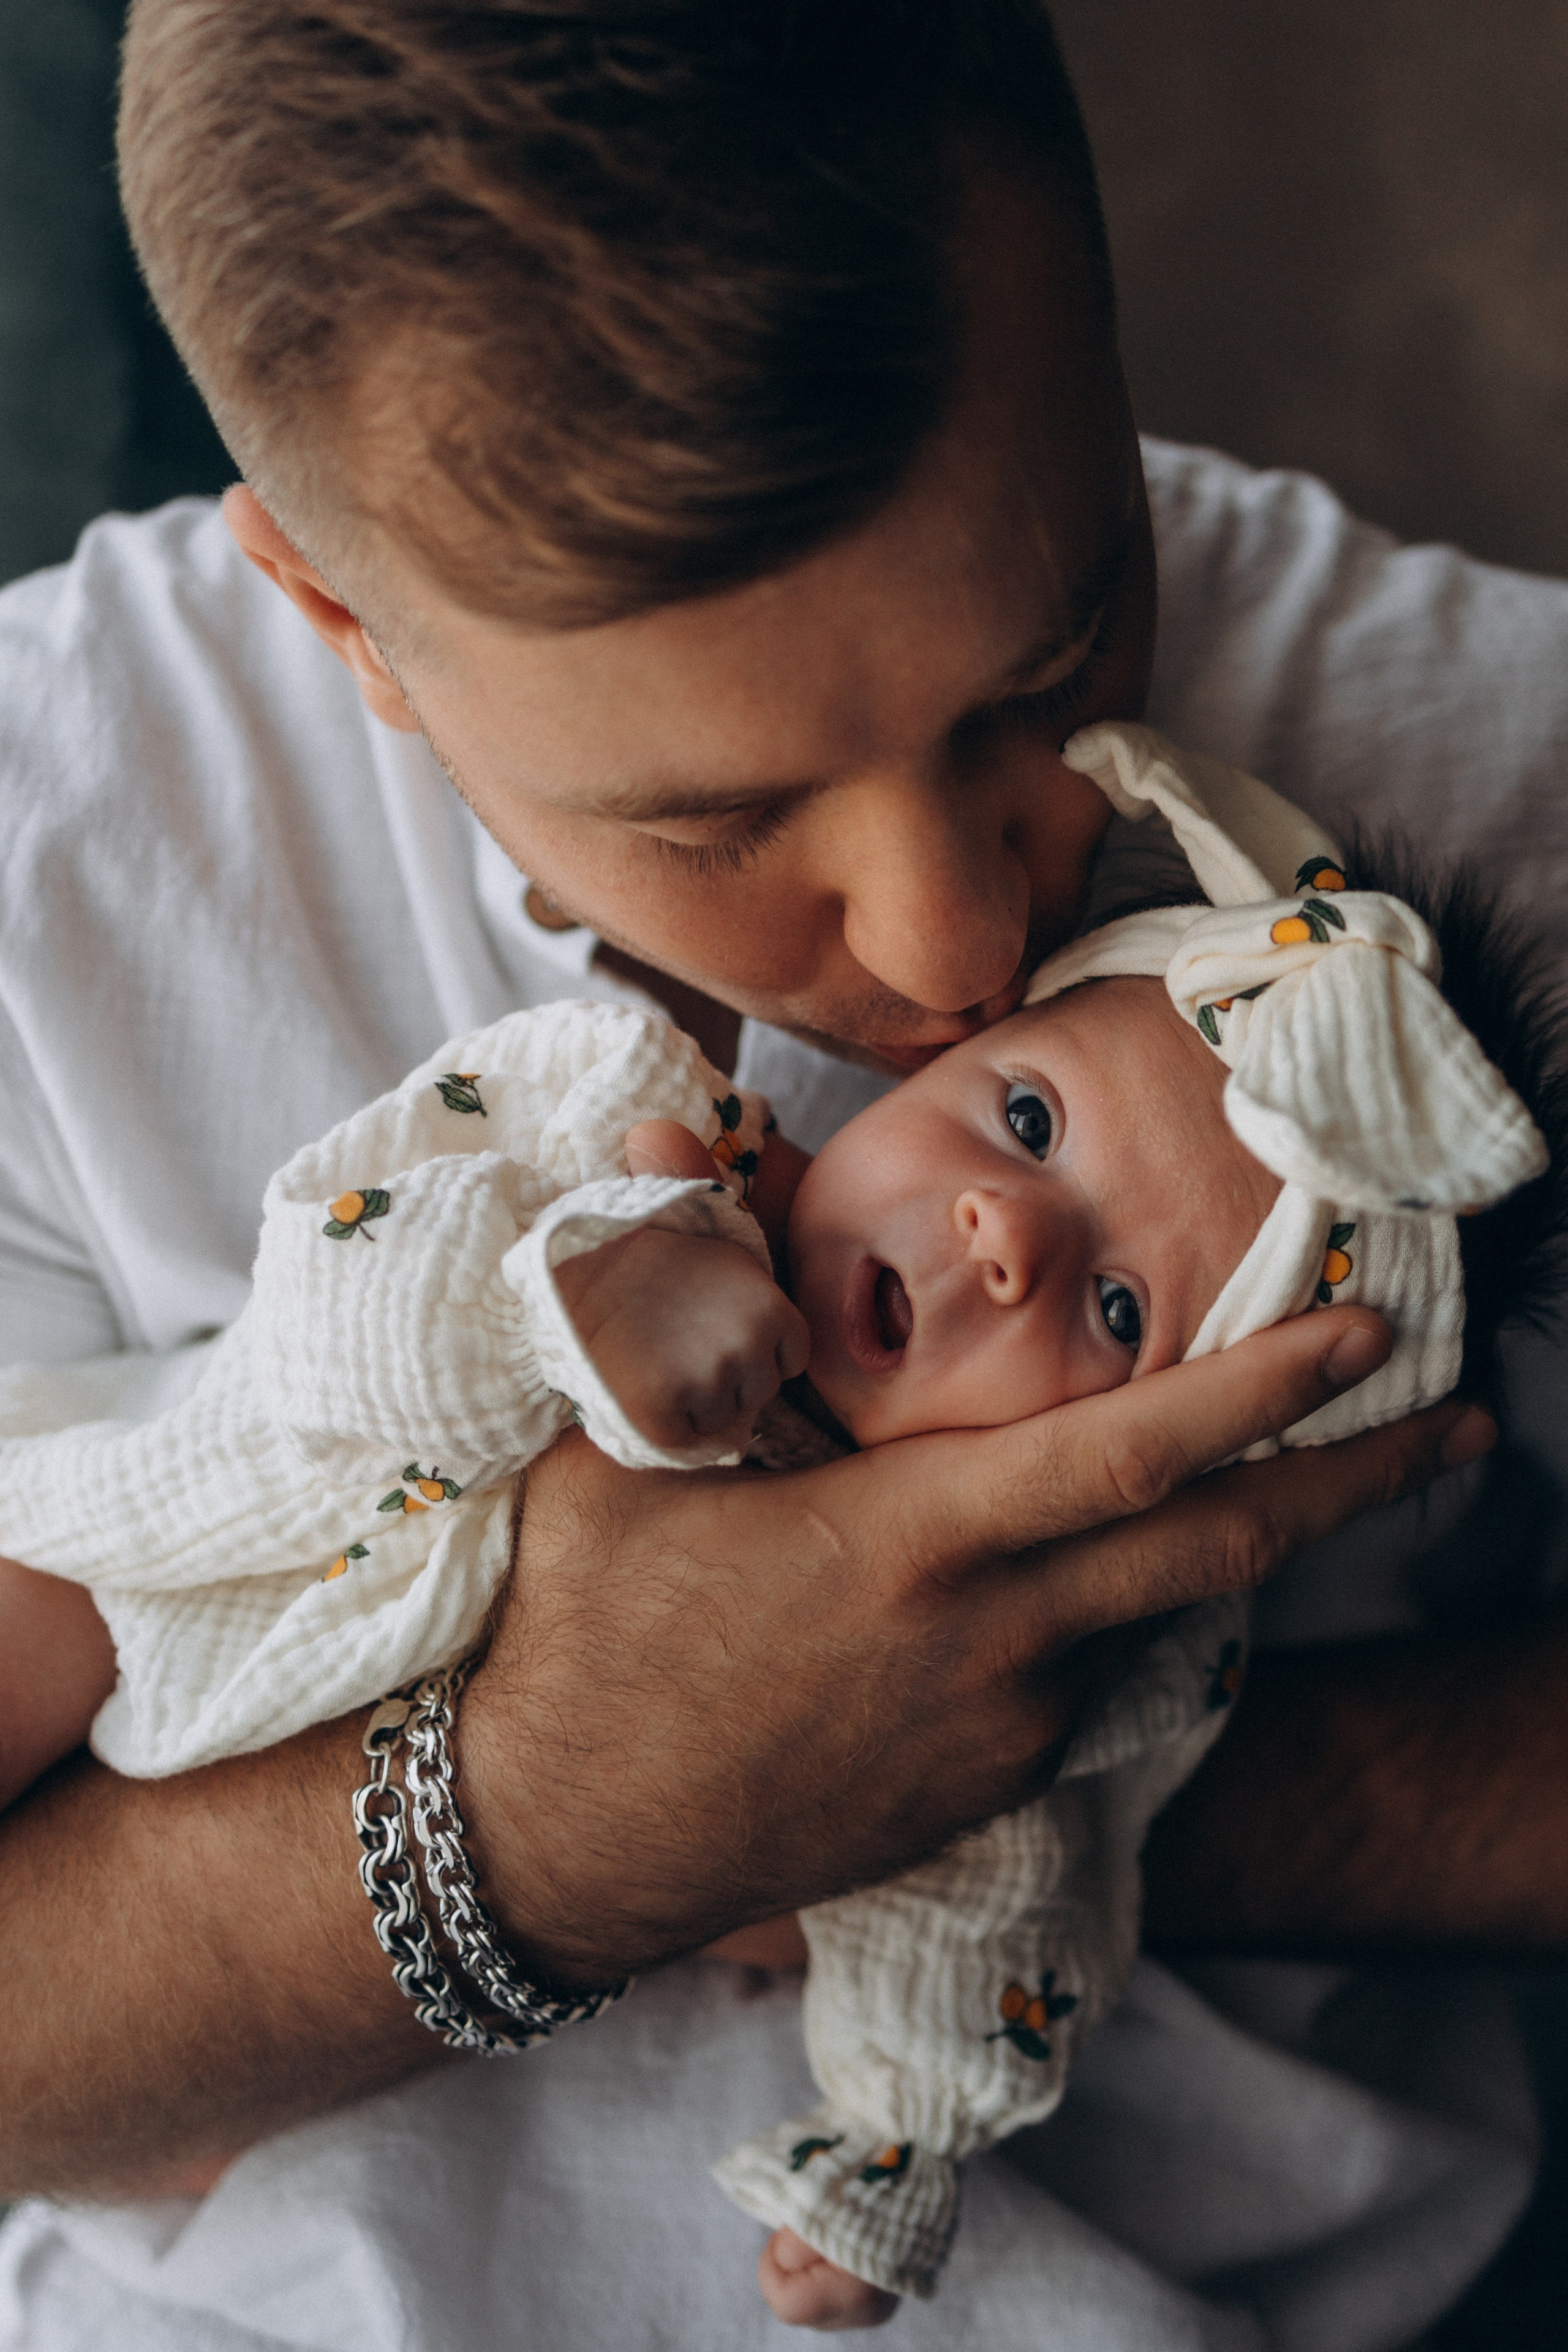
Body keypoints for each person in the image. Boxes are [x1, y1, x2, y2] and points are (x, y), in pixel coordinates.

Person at [0, 4, 1564, 2347]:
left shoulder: (1484, 810)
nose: (955, 944)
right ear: (345, 626)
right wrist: (558, 1817)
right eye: (711, 822)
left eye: (1056, 659)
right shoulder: (47, 843)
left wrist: (1070, 1796)